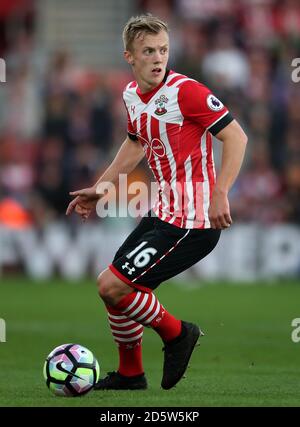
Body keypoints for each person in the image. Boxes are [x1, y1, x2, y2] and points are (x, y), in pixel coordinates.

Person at [66, 14, 247, 390]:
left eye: (163, 49)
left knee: (112, 286)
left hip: (193, 222)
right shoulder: (131, 94)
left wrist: (220, 192)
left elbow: (236, 138)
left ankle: (178, 334)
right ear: (129, 56)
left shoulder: (187, 92)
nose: (157, 58)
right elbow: (135, 143)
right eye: (148, 51)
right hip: (163, 213)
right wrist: (101, 187)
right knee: (114, 289)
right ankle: (131, 375)